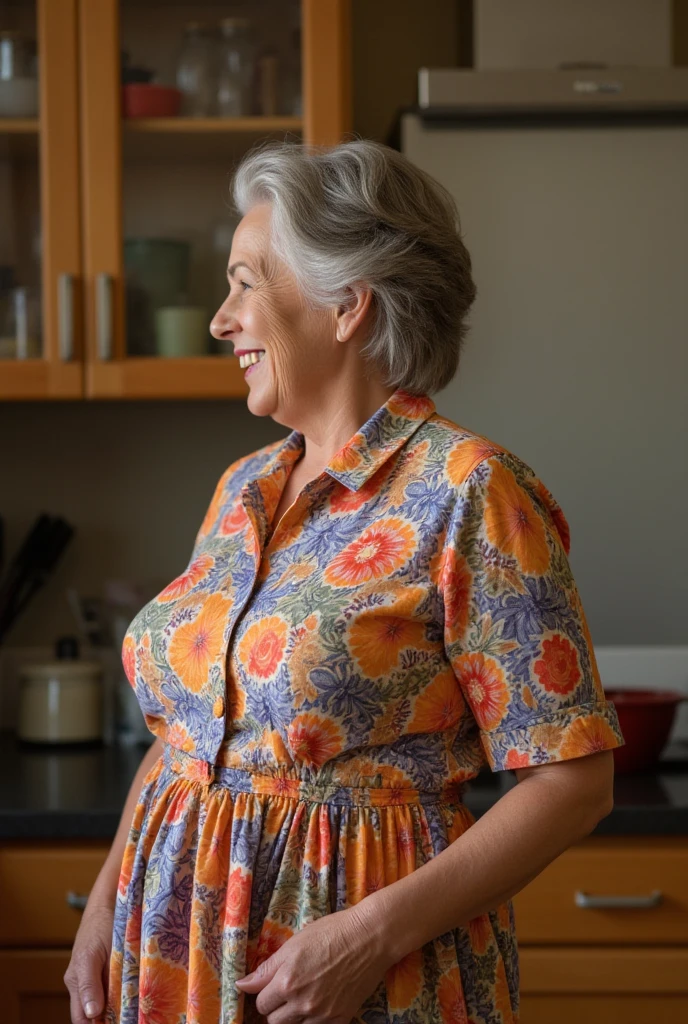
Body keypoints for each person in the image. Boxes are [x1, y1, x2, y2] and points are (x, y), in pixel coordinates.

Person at [65, 138, 623, 1024]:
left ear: (346, 305)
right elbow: (191, 739)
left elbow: (574, 784)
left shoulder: (470, 490)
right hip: (175, 967)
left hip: (364, 980)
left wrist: (367, 938)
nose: (220, 318)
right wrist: (103, 908)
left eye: (246, 281)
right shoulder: (242, 489)